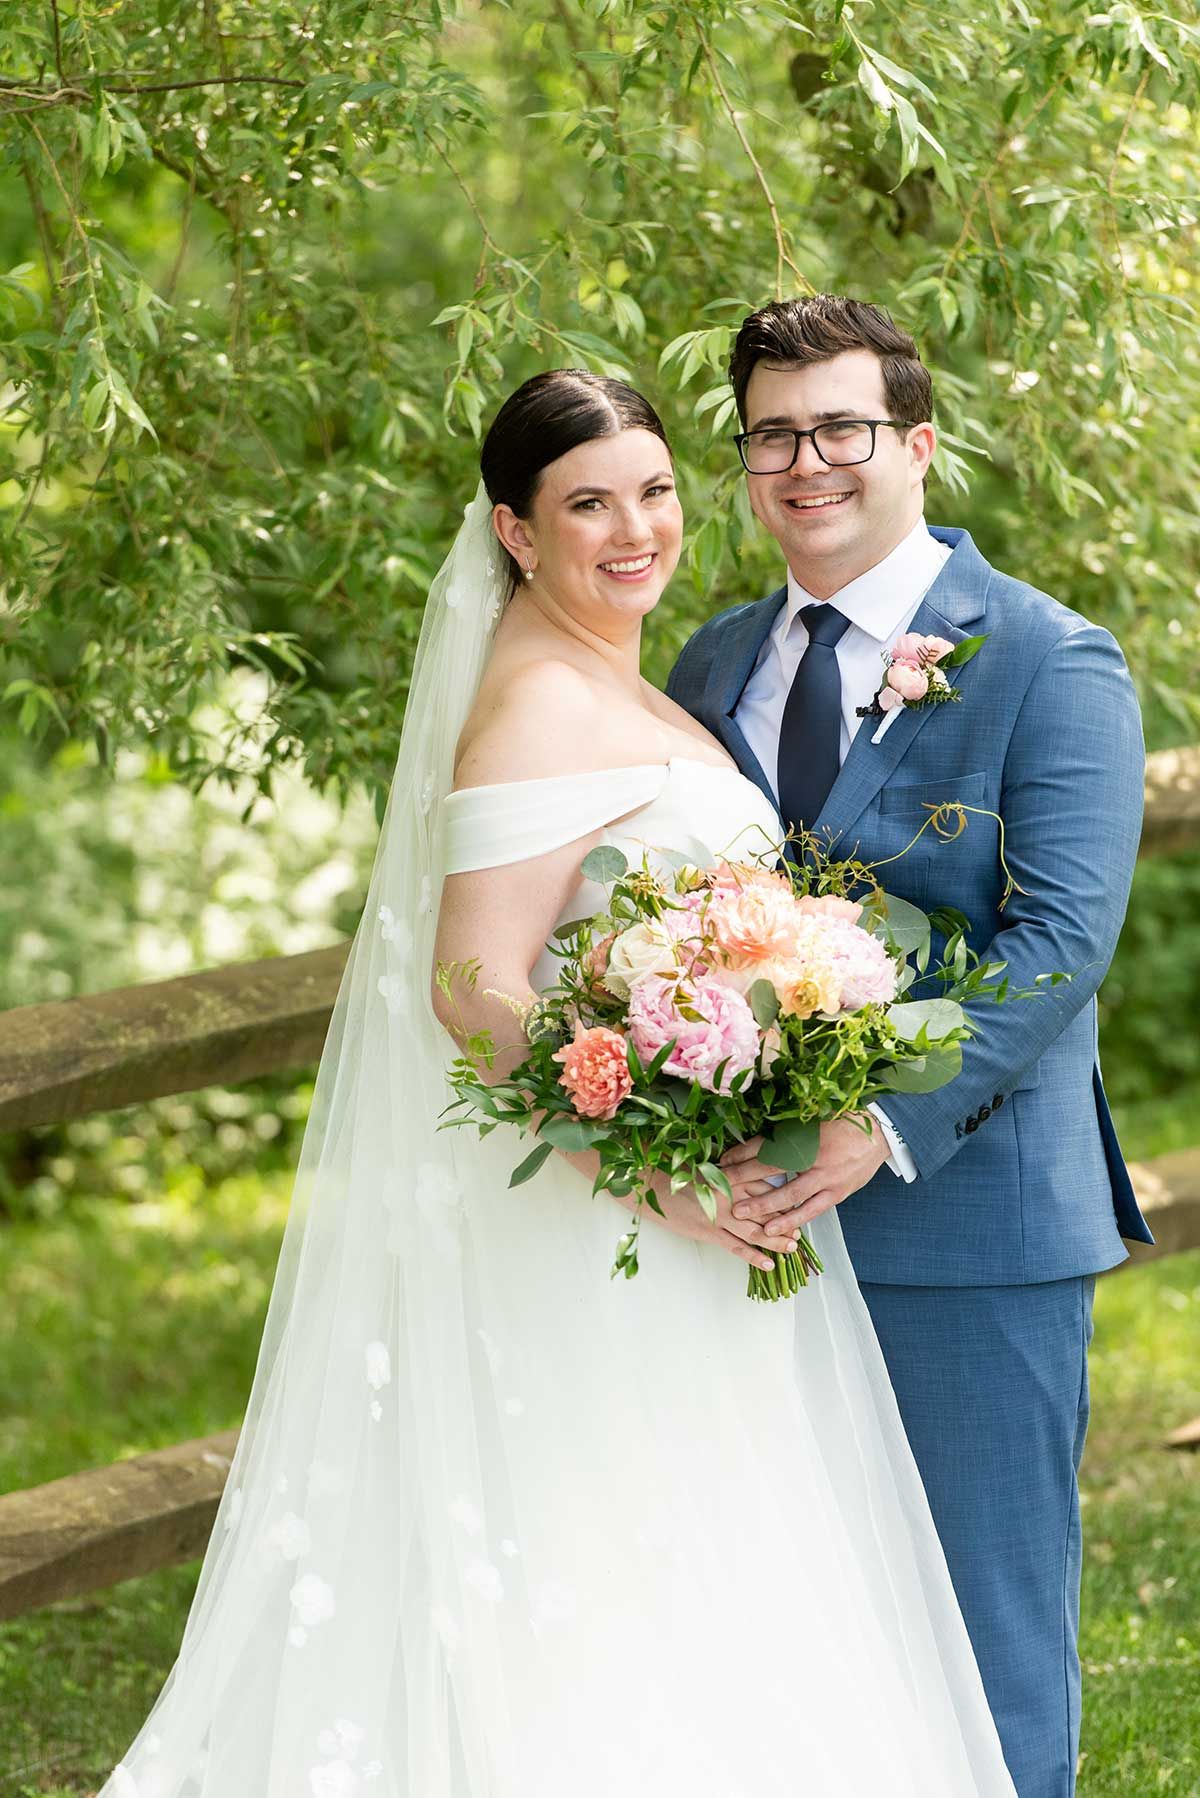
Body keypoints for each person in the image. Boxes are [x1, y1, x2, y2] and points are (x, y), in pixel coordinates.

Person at [99, 367, 1018, 1796]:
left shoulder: (626, 680)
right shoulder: (538, 700)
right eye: (589, 504)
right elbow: (473, 986)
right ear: (516, 532)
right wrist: (662, 1174)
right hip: (609, 1228)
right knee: (607, 1579)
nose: (635, 529)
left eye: (654, 490)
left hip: (696, 1209)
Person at [666, 295, 1151, 1798]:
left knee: (980, 1629)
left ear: (918, 444)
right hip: (745, 1222)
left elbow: (1058, 942)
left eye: (841, 428)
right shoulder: (711, 662)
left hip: (969, 1219)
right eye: (771, 435)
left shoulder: (1050, 658)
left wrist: (872, 1123)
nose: (805, 462)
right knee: (780, 1620)